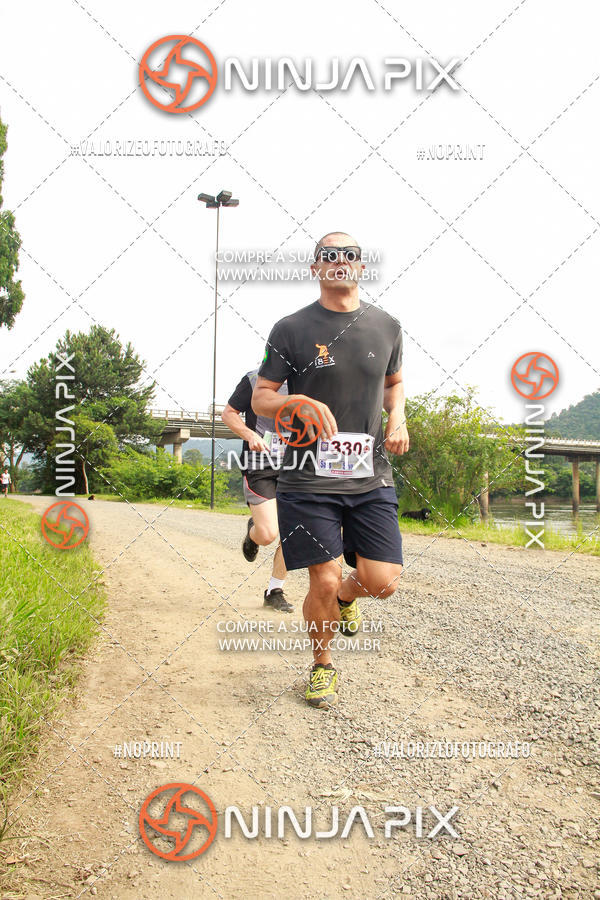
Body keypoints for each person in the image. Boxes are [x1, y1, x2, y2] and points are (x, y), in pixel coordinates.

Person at [252, 232, 409, 708]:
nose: (340, 261)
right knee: (320, 578)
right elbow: (261, 396)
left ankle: (346, 598)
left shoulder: (386, 325)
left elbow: (394, 382)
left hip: (368, 473)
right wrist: (294, 399)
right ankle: (322, 665)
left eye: (350, 255)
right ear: (317, 268)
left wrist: (397, 417)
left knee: (382, 581)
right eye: (329, 256)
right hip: (306, 475)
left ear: (360, 266)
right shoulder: (291, 328)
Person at [222, 368, 293, 613]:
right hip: (259, 464)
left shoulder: (306, 378)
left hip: (296, 467)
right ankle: (253, 532)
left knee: (293, 533)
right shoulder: (254, 379)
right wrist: (249, 434)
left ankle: (275, 590)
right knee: (267, 534)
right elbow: (229, 413)